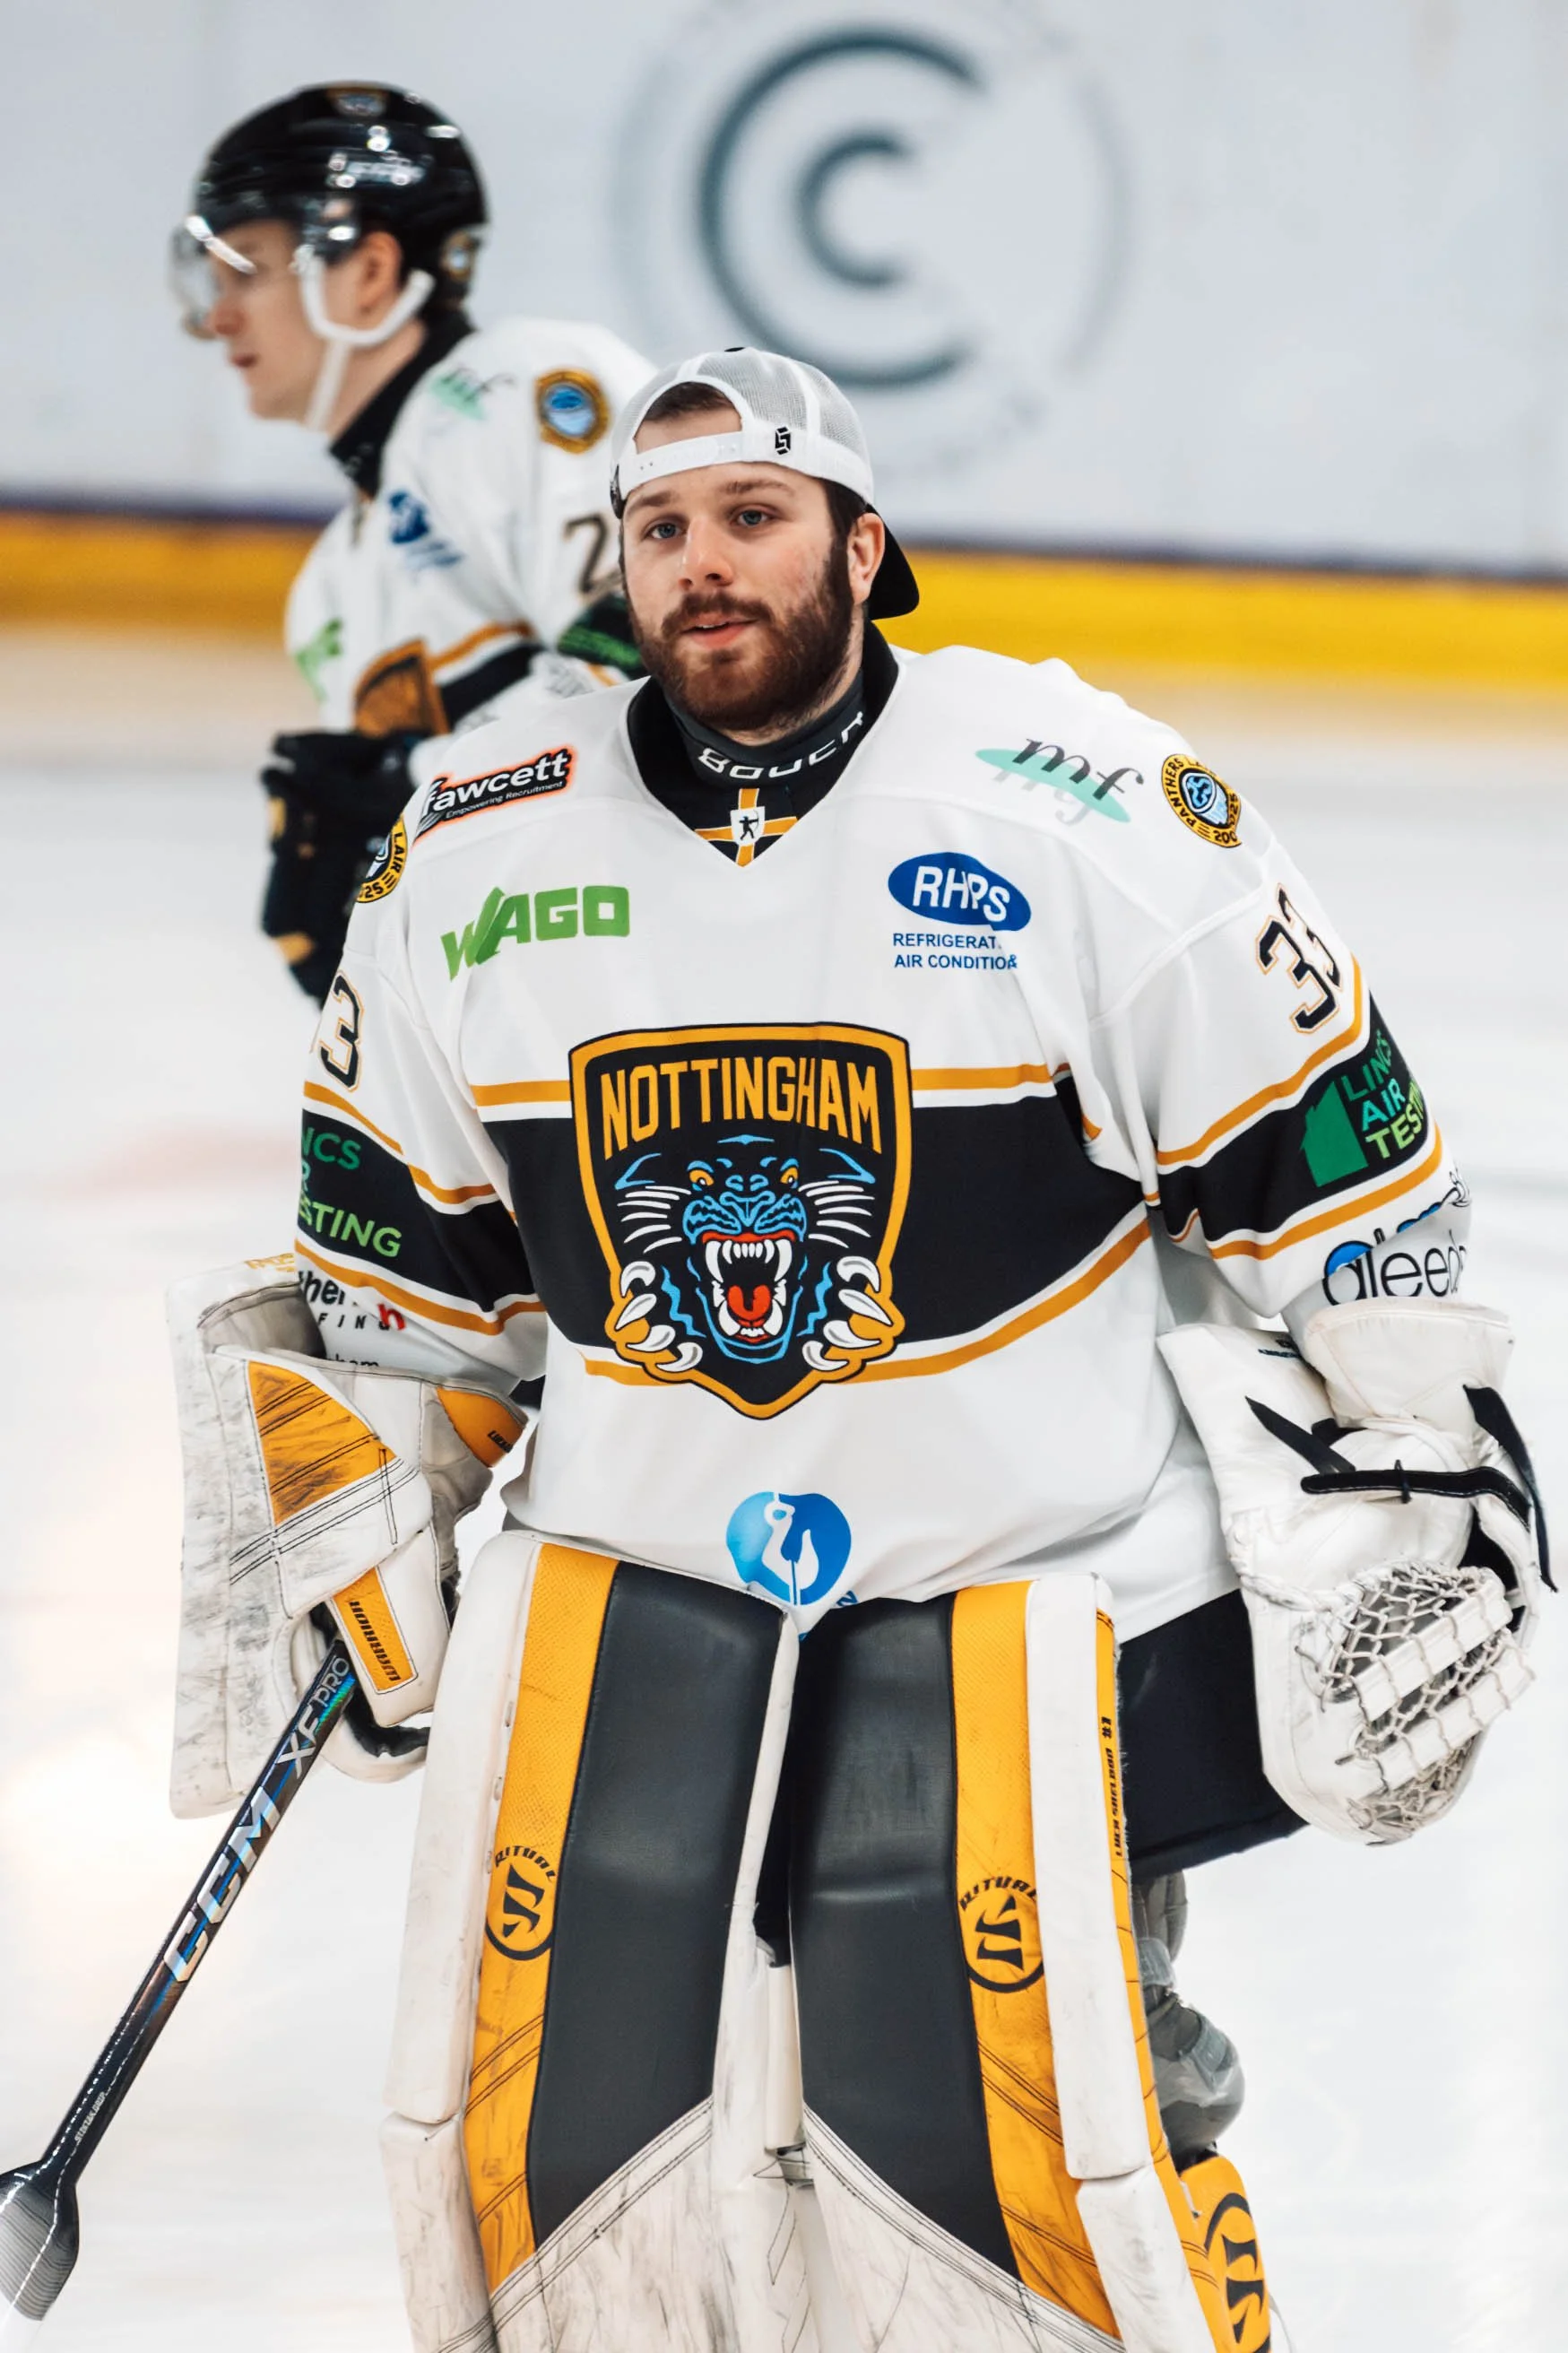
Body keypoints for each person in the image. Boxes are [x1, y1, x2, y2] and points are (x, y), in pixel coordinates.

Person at [169, 350, 1545, 2351]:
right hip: (635, 1636)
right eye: (659, 530)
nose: (701, 566)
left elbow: (1346, 1177)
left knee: (1062, 2159)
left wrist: (1418, 1470)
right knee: (602, 2205)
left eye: (751, 517)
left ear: (862, 545)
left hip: (1021, 1617)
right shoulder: (472, 847)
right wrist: (374, 1489)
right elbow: (410, 1267)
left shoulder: (1081, 806)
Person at [170, 81, 652, 1003]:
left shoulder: (522, 387)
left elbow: (665, 650)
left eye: (248, 270)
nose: (220, 315)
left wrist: (422, 789)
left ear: (370, 274)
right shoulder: (328, 587)